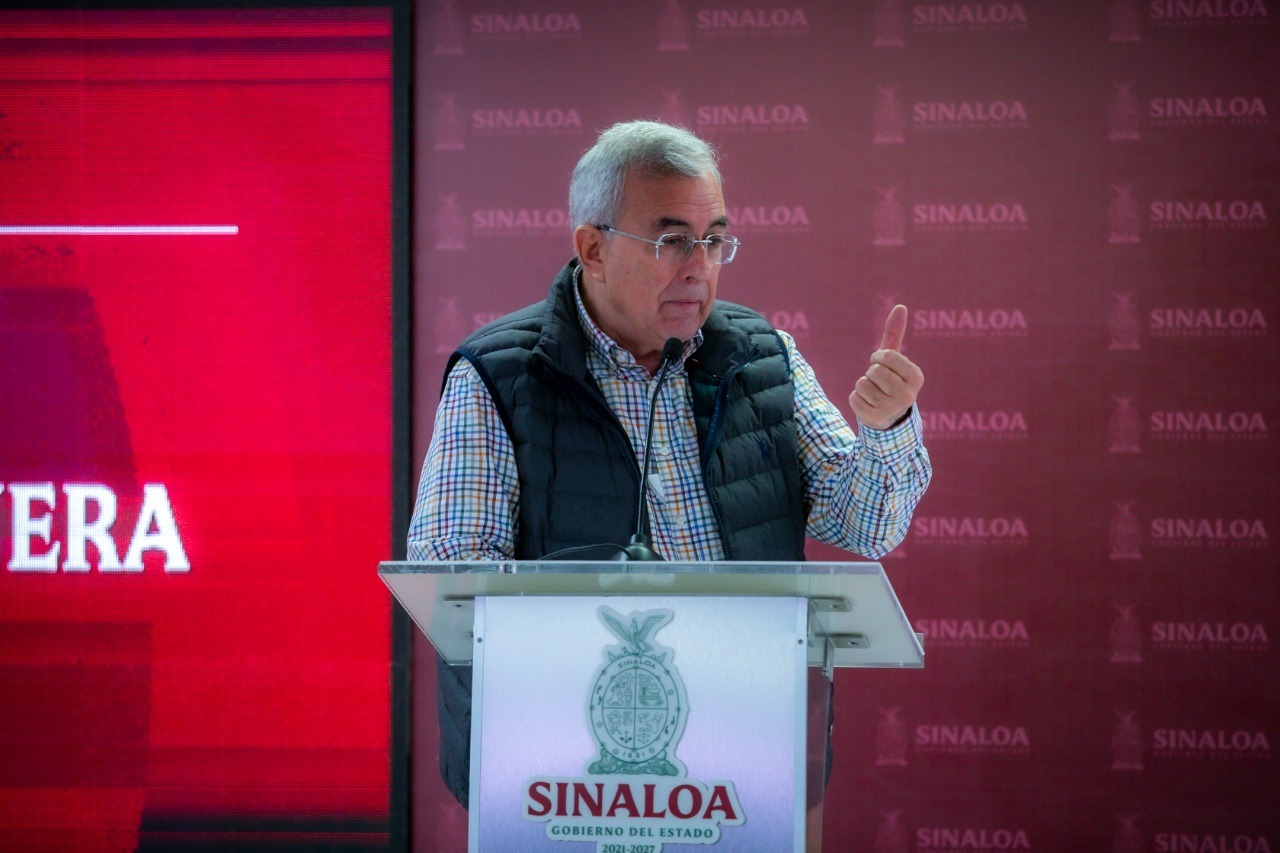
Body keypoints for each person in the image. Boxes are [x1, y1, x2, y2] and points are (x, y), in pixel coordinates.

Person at [407, 120, 932, 806]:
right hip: (560, 776)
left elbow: (868, 525)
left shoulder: (761, 358)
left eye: (714, 240)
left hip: (747, 757)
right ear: (593, 249)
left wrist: (886, 427)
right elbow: (454, 583)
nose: (699, 267)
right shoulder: (499, 376)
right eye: (672, 241)